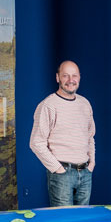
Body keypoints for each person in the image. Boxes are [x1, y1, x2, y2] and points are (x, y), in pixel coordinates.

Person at [30, 60, 96, 206]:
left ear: (79, 77)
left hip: (85, 173)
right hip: (62, 175)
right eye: (65, 76)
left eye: (74, 76)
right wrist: (58, 169)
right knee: (64, 221)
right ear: (57, 77)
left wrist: (91, 163)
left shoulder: (85, 104)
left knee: (82, 220)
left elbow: (90, 136)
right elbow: (36, 143)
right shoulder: (48, 105)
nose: (71, 80)